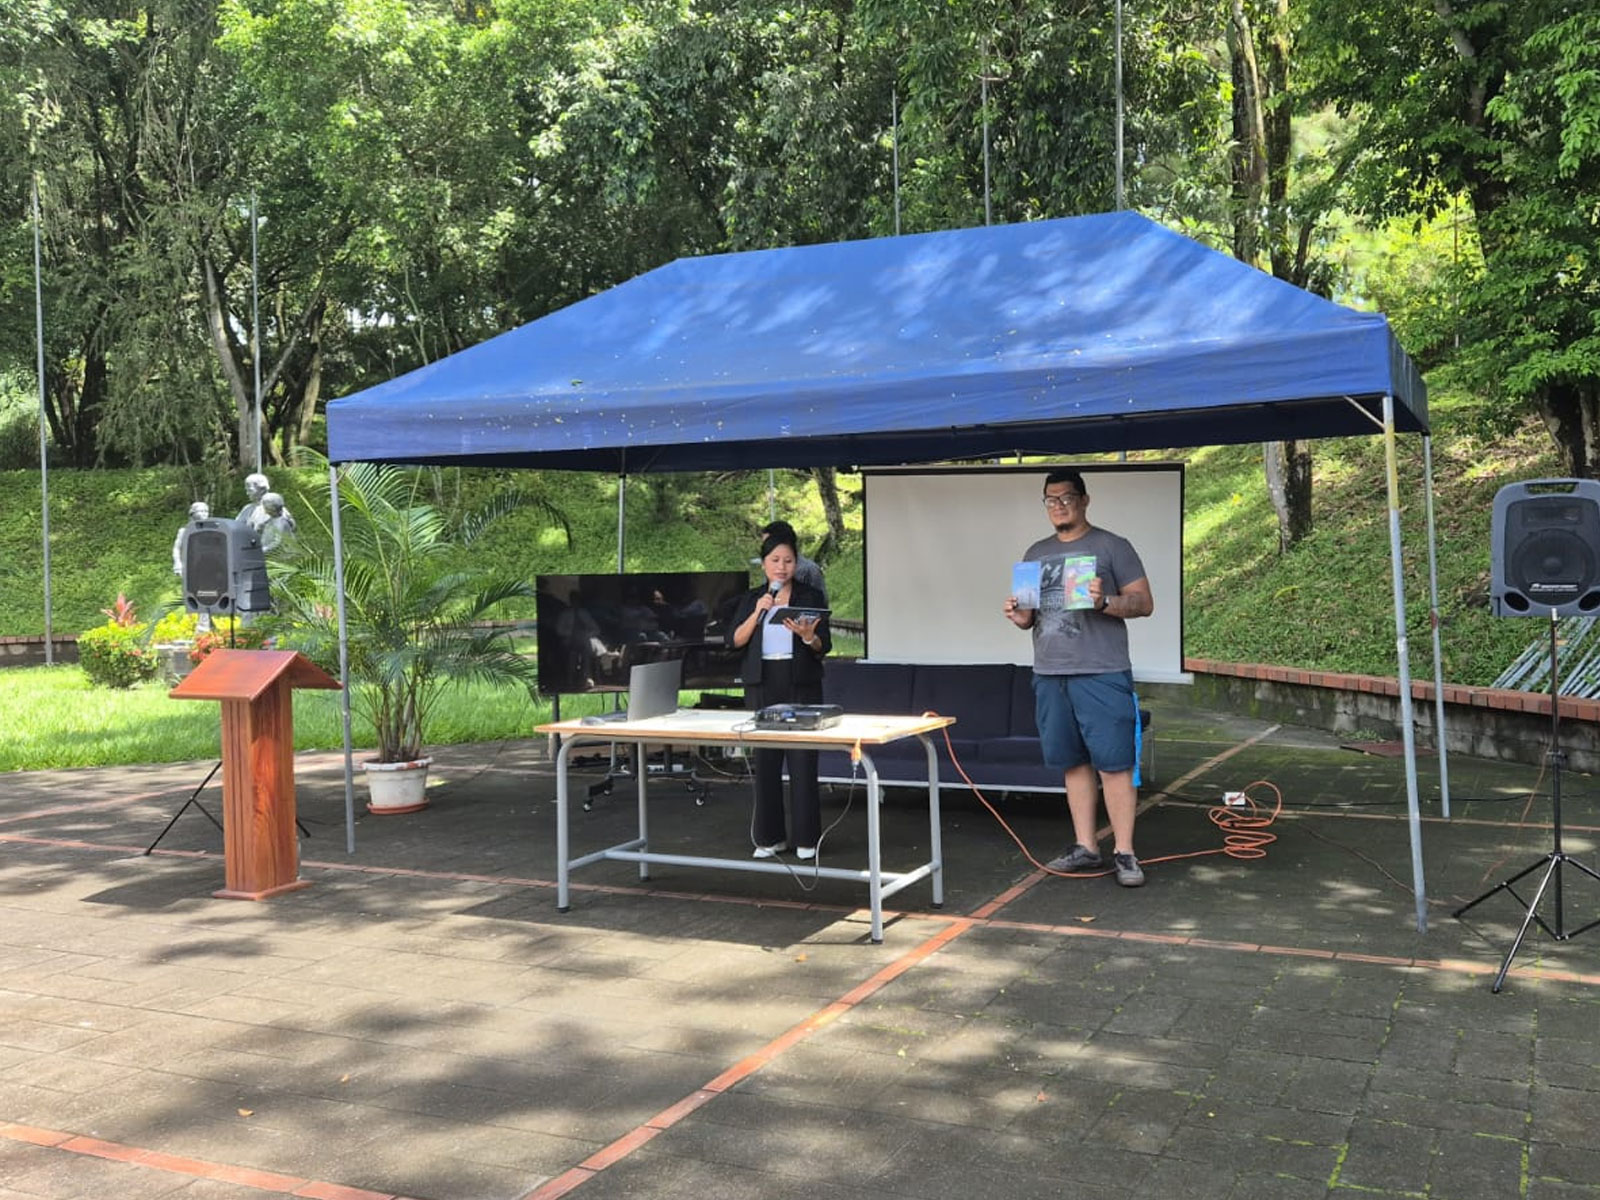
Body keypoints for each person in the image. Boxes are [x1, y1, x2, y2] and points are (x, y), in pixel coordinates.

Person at [1003, 468, 1154, 887]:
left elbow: (1144, 603)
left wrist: (1105, 601)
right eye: (1050, 500)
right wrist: (1018, 616)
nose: (1058, 506)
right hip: (1050, 673)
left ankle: (1125, 852)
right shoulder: (1035, 553)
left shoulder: (1112, 546)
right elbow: (1028, 617)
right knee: (1072, 763)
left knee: (1115, 764)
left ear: (1084, 500)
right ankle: (1087, 847)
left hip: (1101, 671)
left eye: (1066, 498)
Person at [728, 527, 832, 859]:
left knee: (802, 759)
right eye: (775, 560)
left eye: (788, 560)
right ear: (764, 564)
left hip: (800, 680)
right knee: (766, 760)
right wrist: (758, 613)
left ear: (796, 563)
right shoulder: (752, 598)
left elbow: (823, 646)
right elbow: (735, 641)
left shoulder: (809, 597)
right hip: (763, 681)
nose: (781, 567)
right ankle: (769, 838)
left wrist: (807, 636)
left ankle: (807, 839)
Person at [760, 519, 827, 602]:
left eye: (768, 542)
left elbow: (821, 603)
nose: (781, 567)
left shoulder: (810, 569)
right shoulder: (770, 567)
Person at [171, 501, 209, 575]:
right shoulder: (184, 531)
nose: (205, 513)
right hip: (191, 566)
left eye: (206, 511)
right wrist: (177, 563)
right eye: (201, 511)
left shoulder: (212, 530)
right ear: (193, 513)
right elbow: (176, 548)